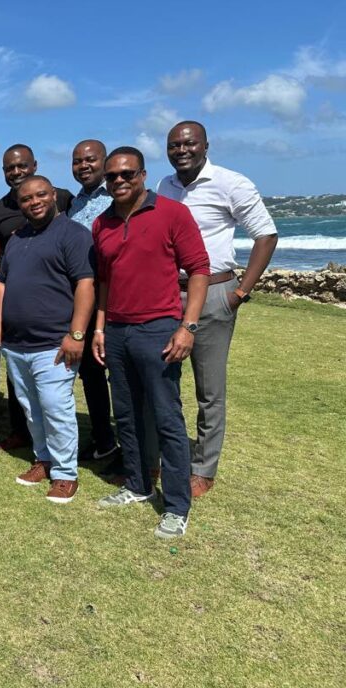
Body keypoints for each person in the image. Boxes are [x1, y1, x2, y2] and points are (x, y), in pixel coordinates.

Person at [92, 146, 210, 539]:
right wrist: (99, 328)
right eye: (112, 176)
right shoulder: (102, 223)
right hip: (118, 331)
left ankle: (177, 505)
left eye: (127, 174)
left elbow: (198, 270)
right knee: (126, 413)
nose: (119, 181)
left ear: (143, 175)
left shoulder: (173, 213)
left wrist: (187, 327)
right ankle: (138, 485)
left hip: (159, 328)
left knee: (166, 418)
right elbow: (105, 280)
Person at [158, 121, 278, 498]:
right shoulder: (165, 186)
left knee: (209, 388)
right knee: (164, 382)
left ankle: (204, 468)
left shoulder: (231, 183)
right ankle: (171, 455)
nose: (182, 150)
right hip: (167, 294)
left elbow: (266, 234)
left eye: (189, 143)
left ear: (206, 146)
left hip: (214, 292)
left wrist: (239, 292)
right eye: (174, 144)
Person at [0, 177, 95, 504]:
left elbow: (85, 285)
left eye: (40, 195)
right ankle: (44, 458)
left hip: (54, 343)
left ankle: (65, 473)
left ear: (53, 196)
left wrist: (76, 334)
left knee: (55, 407)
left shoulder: (74, 235)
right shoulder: (18, 238)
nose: (33, 202)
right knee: (32, 409)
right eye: (26, 199)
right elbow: (2, 283)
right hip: (17, 343)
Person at [0, 145, 73, 448]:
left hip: (56, 304)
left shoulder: (59, 198)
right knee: (18, 377)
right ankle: (25, 434)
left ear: (34, 165)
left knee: (59, 385)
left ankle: (99, 440)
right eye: (10, 168)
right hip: (14, 304)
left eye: (22, 166)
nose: (16, 172)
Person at [67, 139, 119, 461]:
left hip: (113, 297)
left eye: (90, 160)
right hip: (82, 298)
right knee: (92, 375)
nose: (83, 166)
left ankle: (134, 447)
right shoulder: (76, 203)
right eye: (77, 161)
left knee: (122, 377)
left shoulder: (115, 195)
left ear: (104, 161)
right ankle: (103, 439)